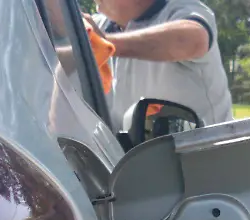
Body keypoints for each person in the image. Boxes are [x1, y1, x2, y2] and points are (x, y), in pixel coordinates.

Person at [87, 0, 234, 131]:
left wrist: (106, 45)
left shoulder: (183, 10)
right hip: (134, 153)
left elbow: (194, 40)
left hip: (208, 151)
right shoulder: (99, 25)